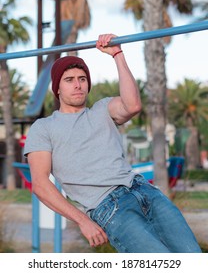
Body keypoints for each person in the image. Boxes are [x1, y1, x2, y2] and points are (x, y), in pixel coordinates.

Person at [24, 34, 201, 253]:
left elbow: (133, 105)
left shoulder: (102, 109)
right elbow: (40, 185)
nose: (78, 85)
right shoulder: (44, 127)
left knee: (192, 257)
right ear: (57, 88)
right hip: (110, 208)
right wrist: (83, 221)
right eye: (69, 80)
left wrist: (117, 53)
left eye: (82, 79)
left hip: (144, 190)